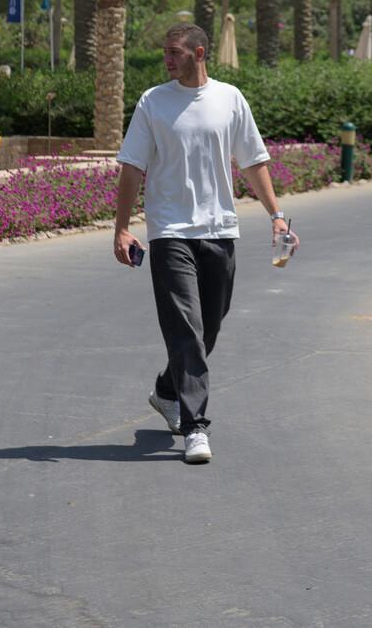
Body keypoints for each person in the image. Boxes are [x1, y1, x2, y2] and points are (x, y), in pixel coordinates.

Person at [113, 23, 293, 465]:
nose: (167, 60)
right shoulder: (153, 102)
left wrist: (276, 216)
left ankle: (166, 390)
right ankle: (195, 427)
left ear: (199, 53)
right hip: (170, 231)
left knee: (208, 326)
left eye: (174, 52)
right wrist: (121, 227)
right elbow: (132, 167)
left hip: (220, 230)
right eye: (164, 52)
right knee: (186, 329)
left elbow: (253, 162)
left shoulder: (229, 98)